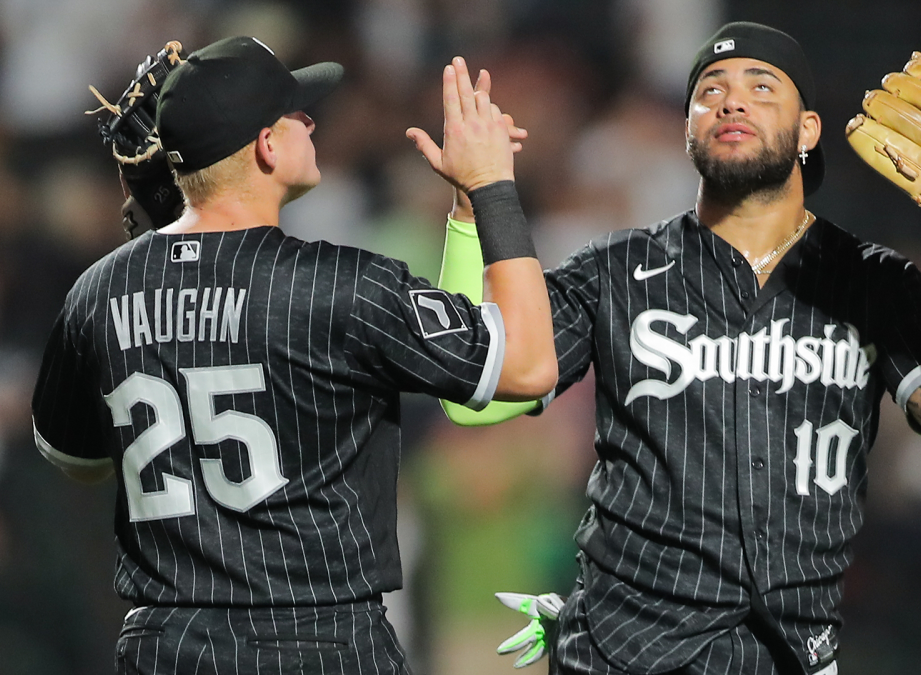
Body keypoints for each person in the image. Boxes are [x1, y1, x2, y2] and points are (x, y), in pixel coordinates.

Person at [436, 22, 921, 675]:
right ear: (687, 132)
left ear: (809, 130)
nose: (731, 101)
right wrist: (467, 210)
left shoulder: (871, 280)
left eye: (761, 86)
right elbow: (475, 399)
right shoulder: (616, 269)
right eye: (710, 90)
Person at [30, 36, 556, 674]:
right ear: (266, 146)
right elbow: (529, 367)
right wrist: (491, 187)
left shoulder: (96, 291)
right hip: (317, 642)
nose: (311, 120)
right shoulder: (340, 287)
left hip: (163, 648)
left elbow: (75, 458)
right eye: (295, 112)